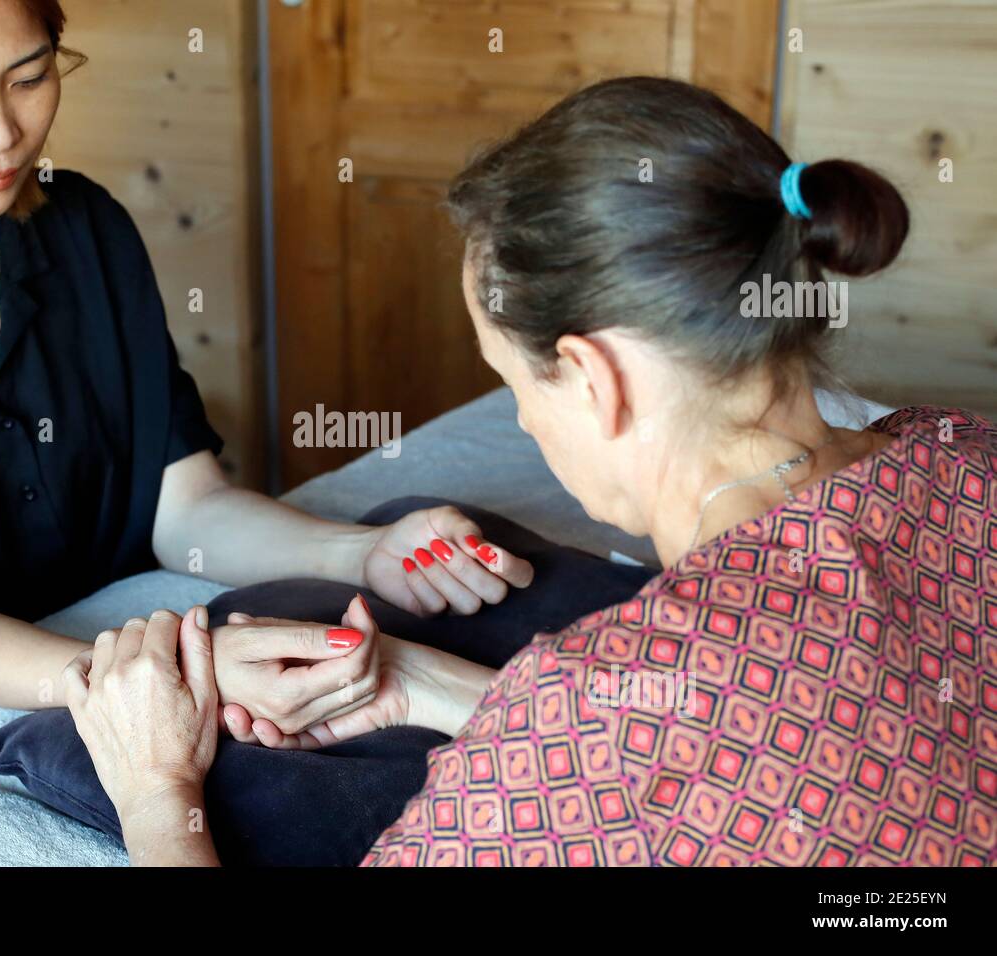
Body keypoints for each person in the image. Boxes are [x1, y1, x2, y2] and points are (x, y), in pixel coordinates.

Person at [70, 77, 997, 866]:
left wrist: (155, 793)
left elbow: (636, 739)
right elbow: (751, 730)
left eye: (512, 381)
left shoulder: (576, 722)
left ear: (595, 379)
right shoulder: (962, 453)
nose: (518, 416)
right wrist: (428, 687)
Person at [0, 0, 534, 793]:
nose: (1, 133)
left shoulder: (86, 230)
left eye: (29, 77)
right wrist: (158, 677)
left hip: (44, 661)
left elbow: (187, 509)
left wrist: (363, 554)